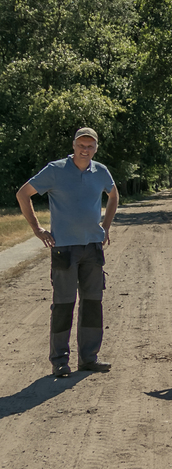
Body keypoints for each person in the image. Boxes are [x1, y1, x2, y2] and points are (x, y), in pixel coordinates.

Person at [17, 127, 119, 377]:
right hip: (64, 248)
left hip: (93, 247)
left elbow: (113, 195)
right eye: (81, 145)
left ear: (96, 148)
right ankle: (60, 361)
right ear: (73, 145)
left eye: (90, 146)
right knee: (63, 304)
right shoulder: (55, 170)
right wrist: (37, 229)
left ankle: (89, 358)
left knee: (93, 303)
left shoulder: (101, 171)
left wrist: (106, 226)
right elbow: (23, 194)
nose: (85, 150)